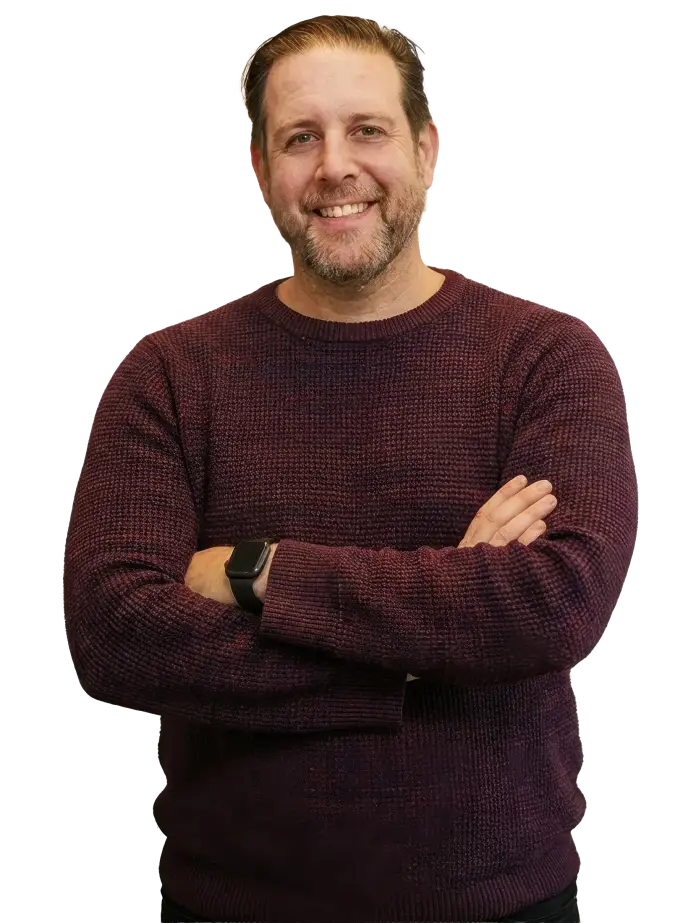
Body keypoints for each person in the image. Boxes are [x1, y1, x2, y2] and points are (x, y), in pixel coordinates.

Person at [63, 14, 636, 923]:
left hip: (502, 902)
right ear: (261, 167)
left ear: (425, 147)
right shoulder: (170, 375)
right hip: (231, 905)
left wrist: (259, 573)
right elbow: (116, 633)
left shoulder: (547, 360)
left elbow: (553, 603)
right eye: (301, 137)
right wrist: (416, 658)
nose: (336, 167)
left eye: (366, 129)